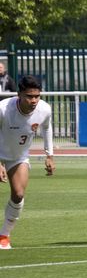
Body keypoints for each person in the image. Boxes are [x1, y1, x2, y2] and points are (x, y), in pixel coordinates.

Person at [0, 76, 54, 249]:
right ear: (19, 95)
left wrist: (49, 155)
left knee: (19, 194)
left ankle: (4, 236)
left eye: (37, 96)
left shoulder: (44, 109)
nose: (33, 100)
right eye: (29, 96)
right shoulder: (3, 109)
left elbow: (46, 128)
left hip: (18, 157)